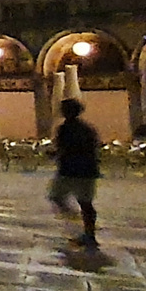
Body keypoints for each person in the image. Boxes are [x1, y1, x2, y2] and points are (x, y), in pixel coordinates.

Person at [49, 98, 102, 248]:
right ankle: (89, 233)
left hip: (69, 170)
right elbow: (94, 146)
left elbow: (62, 148)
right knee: (86, 203)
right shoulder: (88, 128)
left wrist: (54, 154)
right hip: (88, 169)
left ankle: (80, 225)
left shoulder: (65, 129)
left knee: (57, 196)